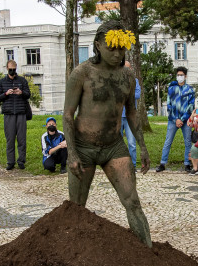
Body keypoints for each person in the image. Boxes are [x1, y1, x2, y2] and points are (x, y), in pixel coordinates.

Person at [63, 20, 152, 246]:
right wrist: (72, 153)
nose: (117, 54)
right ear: (97, 45)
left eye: (121, 48)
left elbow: (132, 112)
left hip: (114, 147)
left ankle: (148, 252)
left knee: (133, 202)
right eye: (111, 48)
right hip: (83, 147)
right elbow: (68, 114)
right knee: (76, 207)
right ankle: (73, 255)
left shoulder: (128, 76)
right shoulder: (82, 73)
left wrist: (142, 146)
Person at [156, 66, 195, 172]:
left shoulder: (190, 90)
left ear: (185, 76)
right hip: (173, 120)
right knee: (168, 141)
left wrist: (182, 119)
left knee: (188, 142)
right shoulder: (171, 89)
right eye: (178, 75)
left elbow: (191, 106)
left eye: (181, 75)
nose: (179, 77)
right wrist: (176, 119)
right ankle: (162, 163)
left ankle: (187, 164)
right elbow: (169, 105)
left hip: (186, 120)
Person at [0, 59, 31, 170]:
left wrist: (21, 92)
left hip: (21, 112)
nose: (12, 71)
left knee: (22, 139)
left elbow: (28, 94)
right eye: (10, 69)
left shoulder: (22, 80)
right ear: (7, 68)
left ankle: (21, 161)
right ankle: (10, 162)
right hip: (9, 113)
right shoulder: (2, 82)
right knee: (10, 139)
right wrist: (6, 93)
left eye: (14, 69)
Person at [120, 62, 141, 167]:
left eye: (127, 68)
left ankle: (133, 165)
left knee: (132, 143)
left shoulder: (135, 81)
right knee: (117, 144)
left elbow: (137, 94)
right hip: (117, 116)